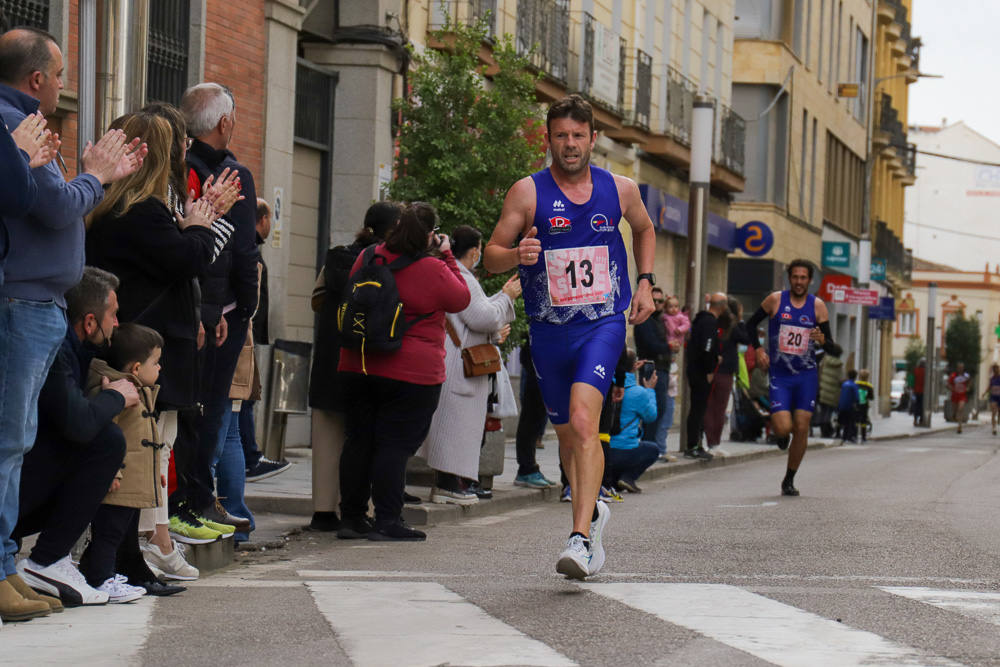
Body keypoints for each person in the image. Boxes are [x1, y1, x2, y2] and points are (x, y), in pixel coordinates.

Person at [0, 27, 146, 617]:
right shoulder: (19, 123)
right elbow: (53, 205)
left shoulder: (26, 125)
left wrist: (82, 177)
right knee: (9, 444)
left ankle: (7, 563)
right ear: (36, 79)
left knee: (16, 443)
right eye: (59, 74)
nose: (63, 84)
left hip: (35, 306)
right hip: (21, 307)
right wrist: (97, 177)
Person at [484, 94, 656, 580]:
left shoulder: (619, 189)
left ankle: (579, 539)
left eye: (579, 135)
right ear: (549, 139)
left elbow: (644, 229)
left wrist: (645, 282)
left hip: (602, 324)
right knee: (566, 437)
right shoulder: (527, 192)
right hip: (549, 331)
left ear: (593, 139)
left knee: (584, 423)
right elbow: (492, 255)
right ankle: (592, 513)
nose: (570, 144)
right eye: (561, 135)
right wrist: (518, 253)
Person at [86, 109, 234, 566]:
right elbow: (189, 259)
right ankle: (140, 546)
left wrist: (199, 219)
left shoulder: (133, 205)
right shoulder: (139, 210)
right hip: (143, 344)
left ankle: (150, 540)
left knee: (158, 443)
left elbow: (187, 257)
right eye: (180, 146)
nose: (185, 154)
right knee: (148, 446)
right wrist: (204, 220)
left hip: (154, 338)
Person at [337, 202, 470, 541]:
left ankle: (352, 519)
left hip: (358, 363)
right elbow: (461, 299)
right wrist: (448, 255)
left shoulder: (367, 257)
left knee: (359, 442)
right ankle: (387, 520)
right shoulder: (433, 268)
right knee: (394, 446)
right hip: (411, 371)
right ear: (429, 235)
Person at [13, 268, 138, 610]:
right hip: (15, 491)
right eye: (112, 314)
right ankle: (47, 561)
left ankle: (40, 562)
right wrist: (115, 397)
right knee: (106, 442)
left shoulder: (75, 348)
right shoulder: (58, 348)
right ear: (88, 322)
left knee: (103, 447)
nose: (116, 323)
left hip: (23, 487)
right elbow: (78, 425)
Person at [174, 81, 258, 535]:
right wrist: (245, 308)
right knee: (209, 412)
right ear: (224, 123)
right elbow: (244, 249)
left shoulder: (173, 164)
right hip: (218, 313)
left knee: (182, 411)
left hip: (180, 303)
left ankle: (185, 500)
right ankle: (197, 500)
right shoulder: (232, 175)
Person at [308, 201, 402, 531]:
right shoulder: (390, 265)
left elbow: (317, 300)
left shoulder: (335, 257)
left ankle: (322, 511)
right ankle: (365, 509)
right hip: (368, 363)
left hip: (328, 361)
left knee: (327, 439)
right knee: (365, 441)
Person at [421, 225, 519, 505]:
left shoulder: (455, 273)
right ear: (475, 250)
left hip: (455, 359)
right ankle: (448, 484)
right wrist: (507, 296)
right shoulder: (459, 275)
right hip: (459, 363)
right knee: (456, 425)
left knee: (456, 425)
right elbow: (482, 317)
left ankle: (452, 482)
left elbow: (476, 315)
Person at [79, 323, 174, 603]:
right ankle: (101, 578)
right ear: (135, 368)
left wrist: (153, 472)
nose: (160, 368)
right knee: (109, 533)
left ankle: (97, 572)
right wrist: (113, 471)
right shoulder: (120, 393)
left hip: (132, 482)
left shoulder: (141, 392)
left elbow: (145, 440)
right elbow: (109, 436)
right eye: (155, 362)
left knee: (118, 531)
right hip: (118, 483)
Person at [745, 259, 838, 496]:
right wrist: (758, 348)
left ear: (810, 280)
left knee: (802, 426)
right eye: (795, 277)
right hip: (780, 375)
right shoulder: (775, 300)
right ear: (789, 278)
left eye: (803, 278)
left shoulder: (818, 307)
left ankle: (789, 478)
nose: (798, 282)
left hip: (806, 376)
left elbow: (834, 349)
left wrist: (823, 340)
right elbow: (750, 324)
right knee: (784, 427)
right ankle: (781, 435)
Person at [241, 197, 289, 481]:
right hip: (243, 336)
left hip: (247, 335)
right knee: (243, 397)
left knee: (245, 398)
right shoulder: (249, 251)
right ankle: (250, 457)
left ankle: (249, 455)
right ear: (262, 220)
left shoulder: (249, 248)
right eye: (270, 218)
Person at [608, 350, 660, 493]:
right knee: (653, 449)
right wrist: (650, 390)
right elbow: (651, 416)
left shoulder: (606, 387)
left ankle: (611, 480)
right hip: (626, 451)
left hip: (604, 450)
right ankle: (628, 478)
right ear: (634, 366)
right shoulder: (639, 392)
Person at [705, 298, 752, 455]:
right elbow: (747, 338)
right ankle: (713, 443)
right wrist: (740, 321)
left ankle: (709, 441)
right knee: (718, 408)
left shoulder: (717, 324)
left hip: (714, 369)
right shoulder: (732, 326)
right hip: (724, 371)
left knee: (711, 407)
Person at [684, 293, 729, 460]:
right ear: (722, 306)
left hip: (695, 368)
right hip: (701, 372)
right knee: (698, 408)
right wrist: (710, 369)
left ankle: (696, 444)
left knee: (698, 407)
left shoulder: (700, 320)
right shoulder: (710, 322)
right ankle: (693, 445)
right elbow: (707, 347)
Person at [633, 286, 672, 457]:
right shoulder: (645, 321)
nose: (656, 304)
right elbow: (651, 345)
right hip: (651, 367)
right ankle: (648, 448)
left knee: (660, 408)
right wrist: (668, 347)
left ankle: (652, 447)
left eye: (660, 301)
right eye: (653, 300)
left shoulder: (658, 320)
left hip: (660, 367)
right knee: (653, 410)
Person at [513, 341, 557, 488]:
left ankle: (529, 467)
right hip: (537, 361)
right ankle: (526, 469)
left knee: (536, 416)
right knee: (531, 415)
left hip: (542, 361)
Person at [948, 361, 971, 434]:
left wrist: (968, 387)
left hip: (962, 395)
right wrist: (952, 388)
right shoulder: (953, 376)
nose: (961, 369)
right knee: (955, 411)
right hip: (955, 396)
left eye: (962, 367)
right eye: (959, 367)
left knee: (960, 409)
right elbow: (948, 384)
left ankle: (959, 426)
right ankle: (954, 415)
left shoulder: (966, 376)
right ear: (957, 368)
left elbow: (970, 382)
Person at [838, 369, 860, 443]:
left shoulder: (844, 384)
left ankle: (843, 436)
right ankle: (850, 437)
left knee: (843, 422)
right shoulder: (854, 385)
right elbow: (857, 397)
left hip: (841, 406)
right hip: (850, 406)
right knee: (851, 422)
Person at [855, 369, 874, 442]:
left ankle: (855, 435)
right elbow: (871, 397)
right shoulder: (869, 386)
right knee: (863, 421)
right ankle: (863, 437)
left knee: (856, 420)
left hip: (856, 404)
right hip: (864, 405)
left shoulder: (856, 384)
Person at [983, 364, 1000, 435]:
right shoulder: (992, 379)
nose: (996, 370)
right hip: (993, 397)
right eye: (995, 369)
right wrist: (984, 393)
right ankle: (994, 428)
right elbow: (989, 386)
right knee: (993, 412)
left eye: (997, 369)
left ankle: (998, 419)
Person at [912, 359, 926, 426]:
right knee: (922, 406)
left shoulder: (915, 370)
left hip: (915, 391)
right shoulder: (926, 371)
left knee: (916, 405)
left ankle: (915, 420)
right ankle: (921, 420)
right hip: (923, 392)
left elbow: (912, 380)